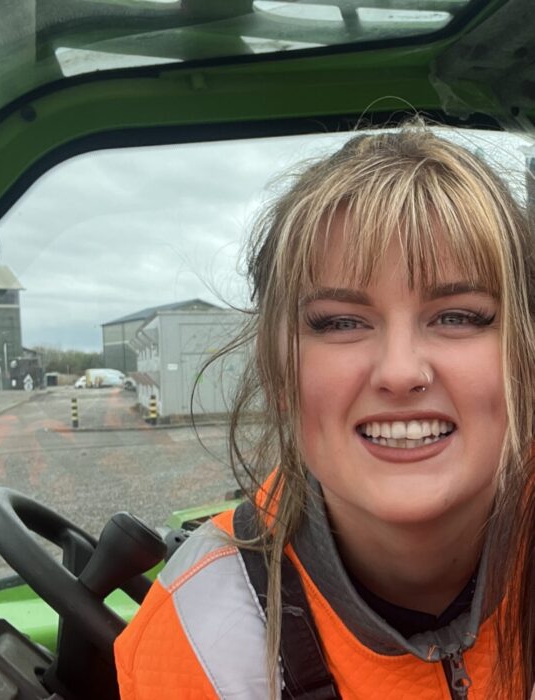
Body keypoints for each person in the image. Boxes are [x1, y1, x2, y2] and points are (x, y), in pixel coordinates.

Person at [114, 123, 535, 699]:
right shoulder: (195, 644)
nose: (400, 371)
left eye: (458, 316)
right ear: (282, 371)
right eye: (340, 322)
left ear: (524, 357)